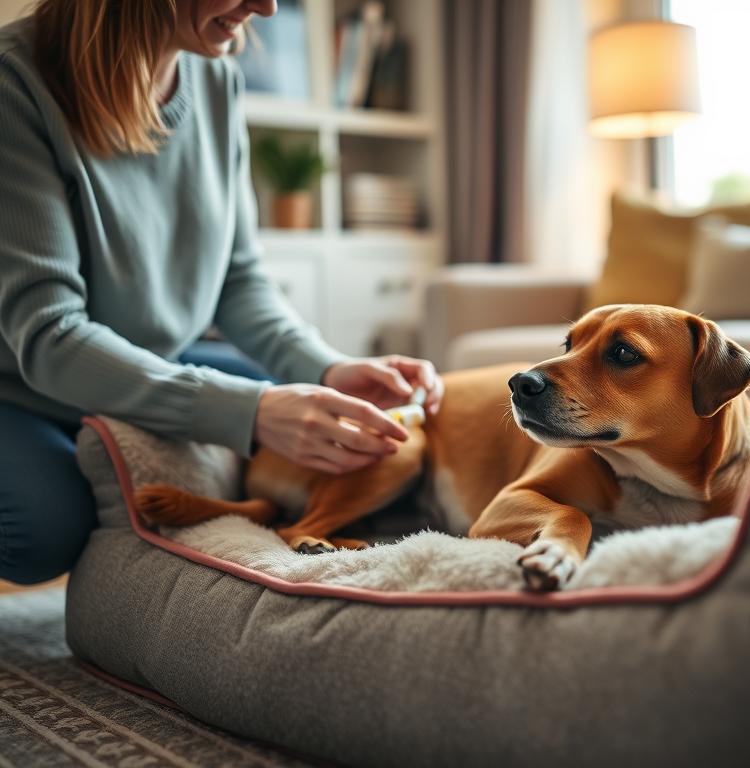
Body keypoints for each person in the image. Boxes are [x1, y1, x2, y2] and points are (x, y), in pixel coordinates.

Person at [0, 0, 443, 585]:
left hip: (154, 358)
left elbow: (239, 283)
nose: (267, 6)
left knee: (320, 419)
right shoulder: (16, 84)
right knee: (42, 533)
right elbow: (51, 337)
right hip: (21, 384)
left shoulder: (216, 78)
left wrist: (328, 368)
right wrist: (253, 411)